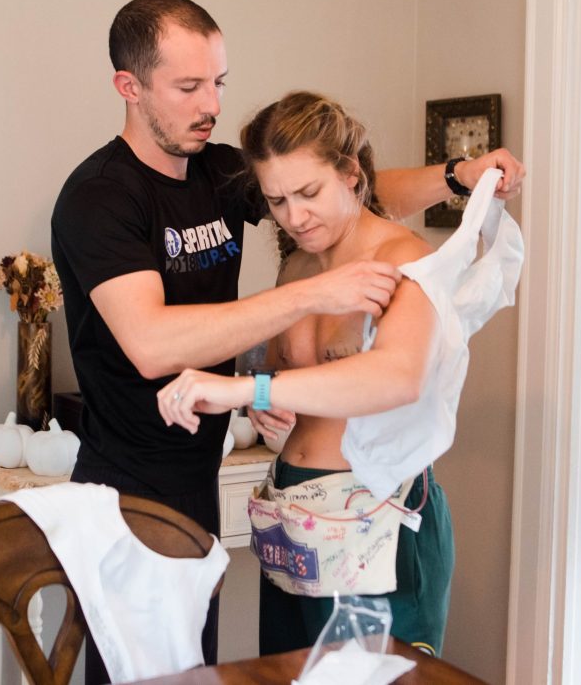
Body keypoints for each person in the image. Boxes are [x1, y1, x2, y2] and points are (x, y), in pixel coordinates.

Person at [50, 0, 523, 683]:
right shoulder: (100, 197)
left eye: (218, 82)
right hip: (131, 486)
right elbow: (151, 344)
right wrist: (295, 320)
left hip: (253, 488)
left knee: (208, 670)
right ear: (130, 86)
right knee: (147, 676)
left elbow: (341, 189)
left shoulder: (222, 174)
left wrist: (456, 176)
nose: (210, 104)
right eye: (188, 87)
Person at [157, 90, 500, 656]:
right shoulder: (297, 266)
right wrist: (265, 403)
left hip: (377, 523)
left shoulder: (405, 260)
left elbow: (396, 377)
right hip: (294, 517)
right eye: (278, 200)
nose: (295, 217)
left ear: (351, 174)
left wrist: (247, 387)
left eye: (309, 193)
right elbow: (293, 380)